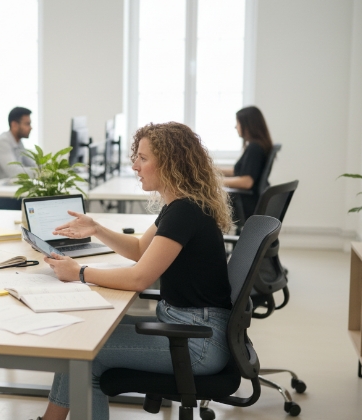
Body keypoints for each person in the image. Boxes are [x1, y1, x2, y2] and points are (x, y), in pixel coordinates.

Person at [35, 122, 234, 420]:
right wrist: (97, 229)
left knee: (86, 351)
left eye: (143, 158)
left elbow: (140, 278)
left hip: (198, 342)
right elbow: (142, 249)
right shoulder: (180, 205)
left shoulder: (184, 212)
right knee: (84, 335)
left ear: (169, 163)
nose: (135, 166)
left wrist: (79, 272)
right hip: (191, 328)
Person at [222, 105, 274, 224]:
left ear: (247, 125)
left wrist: (215, 181)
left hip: (246, 204)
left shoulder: (254, 148)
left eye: (238, 123)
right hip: (251, 201)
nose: (235, 127)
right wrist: (212, 170)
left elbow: (246, 182)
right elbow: (238, 171)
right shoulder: (257, 145)